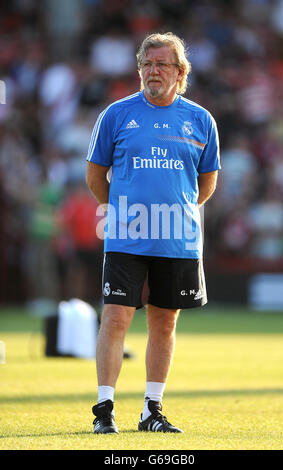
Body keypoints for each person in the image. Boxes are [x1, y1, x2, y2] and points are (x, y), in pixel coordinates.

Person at [86, 32, 220, 434]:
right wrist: (125, 212)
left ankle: (152, 410)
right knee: (115, 317)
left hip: (177, 239)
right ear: (139, 69)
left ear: (180, 72)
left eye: (162, 64)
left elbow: (207, 182)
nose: (153, 71)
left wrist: (176, 213)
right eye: (147, 64)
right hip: (128, 235)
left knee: (165, 322)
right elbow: (95, 175)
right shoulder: (116, 115)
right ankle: (104, 408)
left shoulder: (200, 119)